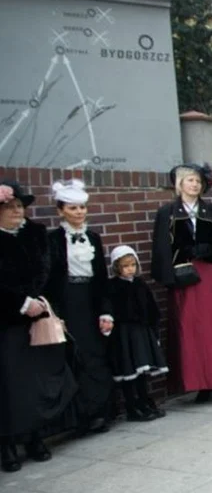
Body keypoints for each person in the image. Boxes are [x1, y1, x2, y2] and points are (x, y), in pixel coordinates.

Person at [151, 164, 212, 404]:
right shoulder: (168, 213)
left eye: (198, 181)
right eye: (190, 180)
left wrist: (210, 249)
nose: (195, 185)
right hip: (185, 276)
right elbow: (162, 248)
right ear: (180, 184)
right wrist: (177, 262)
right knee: (192, 330)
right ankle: (199, 383)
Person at [0, 181, 77, 472]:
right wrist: (20, 303)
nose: (16, 211)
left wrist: (47, 305)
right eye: (9, 207)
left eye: (19, 206)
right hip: (7, 321)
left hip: (40, 317)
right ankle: (7, 443)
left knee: (37, 381)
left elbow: (54, 271)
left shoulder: (35, 234)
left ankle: (35, 436)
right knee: (9, 383)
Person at [45, 179, 115, 435]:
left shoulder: (93, 238)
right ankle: (78, 418)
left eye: (82, 208)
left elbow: (101, 278)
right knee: (74, 356)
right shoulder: (52, 240)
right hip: (67, 300)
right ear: (61, 210)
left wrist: (105, 310)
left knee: (96, 354)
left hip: (89, 299)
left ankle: (100, 412)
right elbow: (49, 281)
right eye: (73, 208)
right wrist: (56, 314)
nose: (79, 213)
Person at [106, 245, 167, 421]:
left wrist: (154, 331)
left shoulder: (140, 284)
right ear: (117, 267)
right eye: (125, 266)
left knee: (142, 370)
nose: (129, 269)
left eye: (132, 265)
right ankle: (132, 406)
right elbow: (108, 306)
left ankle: (145, 401)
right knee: (129, 370)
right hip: (125, 334)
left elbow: (151, 308)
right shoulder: (113, 286)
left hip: (141, 331)